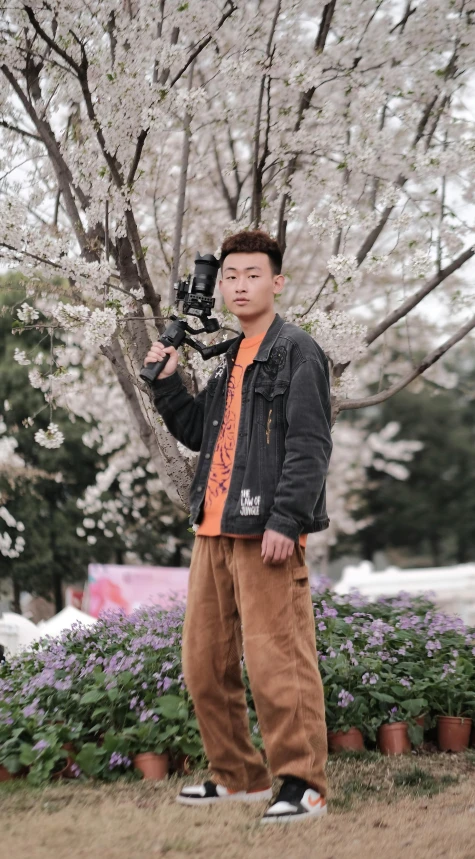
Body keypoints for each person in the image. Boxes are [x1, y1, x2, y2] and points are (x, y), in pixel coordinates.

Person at [145, 230, 333, 824]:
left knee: (279, 659)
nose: (239, 284)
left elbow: (310, 442)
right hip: (213, 526)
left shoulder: (296, 350)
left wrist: (287, 518)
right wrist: (169, 382)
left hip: (266, 529)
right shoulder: (230, 359)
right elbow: (201, 433)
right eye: (231, 276)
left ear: (276, 282)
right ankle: (238, 776)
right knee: (205, 662)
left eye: (252, 274)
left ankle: (303, 784)